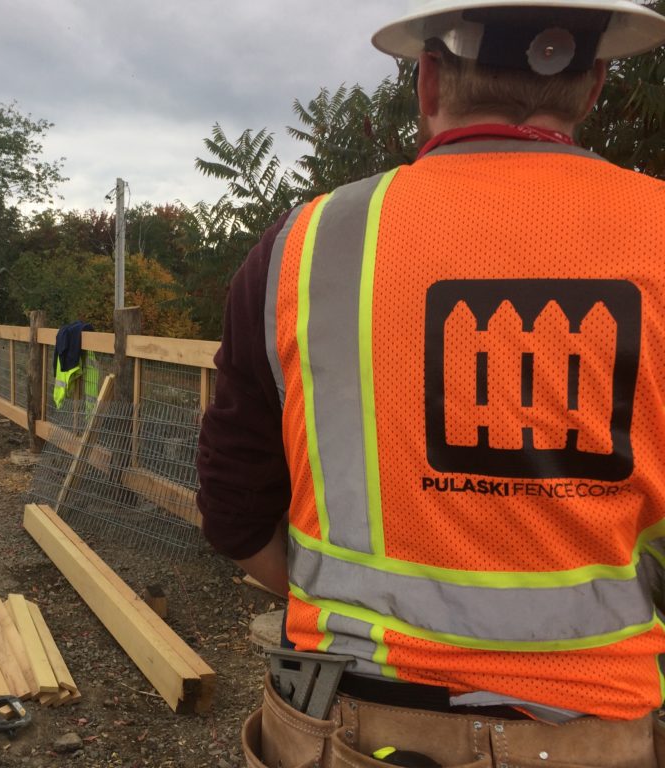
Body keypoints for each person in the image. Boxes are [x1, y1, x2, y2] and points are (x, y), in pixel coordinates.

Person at [196, 1, 665, 765]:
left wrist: (339, 602)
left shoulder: (307, 246)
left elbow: (233, 510)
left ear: (429, 78)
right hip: (595, 734)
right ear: (595, 85)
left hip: (347, 723)